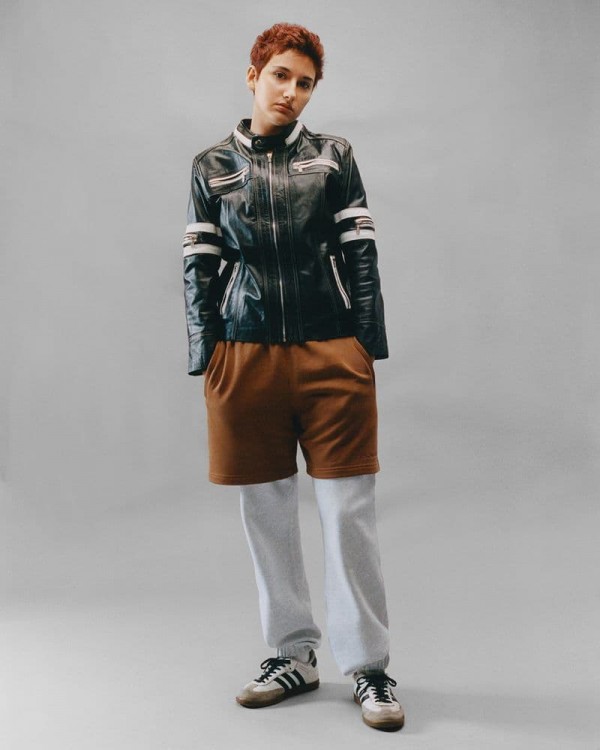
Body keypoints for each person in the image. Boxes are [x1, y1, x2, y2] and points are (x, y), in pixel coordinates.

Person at [182, 22, 404, 732]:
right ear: (254, 75)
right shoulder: (211, 165)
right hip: (244, 355)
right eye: (281, 75)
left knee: (349, 514)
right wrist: (209, 356)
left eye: (305, 82)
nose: (291, 92)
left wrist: (364, 348)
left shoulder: (334, 157)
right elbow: (199, 266)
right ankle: (292, 655)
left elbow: (361, 254)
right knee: (267, 515)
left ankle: (368, 665)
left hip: (330, 351)